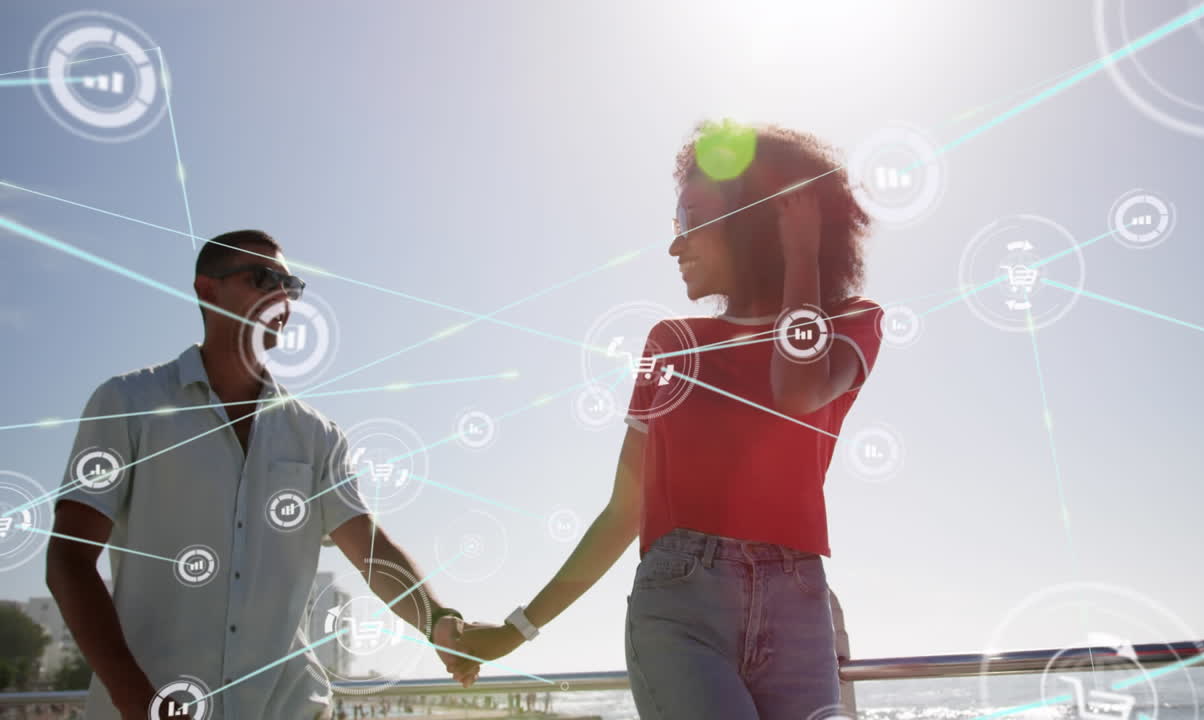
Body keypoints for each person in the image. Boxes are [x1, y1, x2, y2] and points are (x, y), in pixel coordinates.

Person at [456, 121, 883, 719]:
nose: (674, 245)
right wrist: (516, 629)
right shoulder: (672, 344)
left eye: (689, 222)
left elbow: (798, 389)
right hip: (681, 604)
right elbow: (622, 511)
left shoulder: (851, 324)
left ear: (755, 219)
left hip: (799, 601)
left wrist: (801, 257)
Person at [44, 230, 478, 720]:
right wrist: (136, 701)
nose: (281, 296)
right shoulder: (128, 403)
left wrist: (438, 620)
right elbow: (69, 561)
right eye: (262, 278)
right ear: (207, 290)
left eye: (290, 286)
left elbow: (370, 551)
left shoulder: (316, 435)